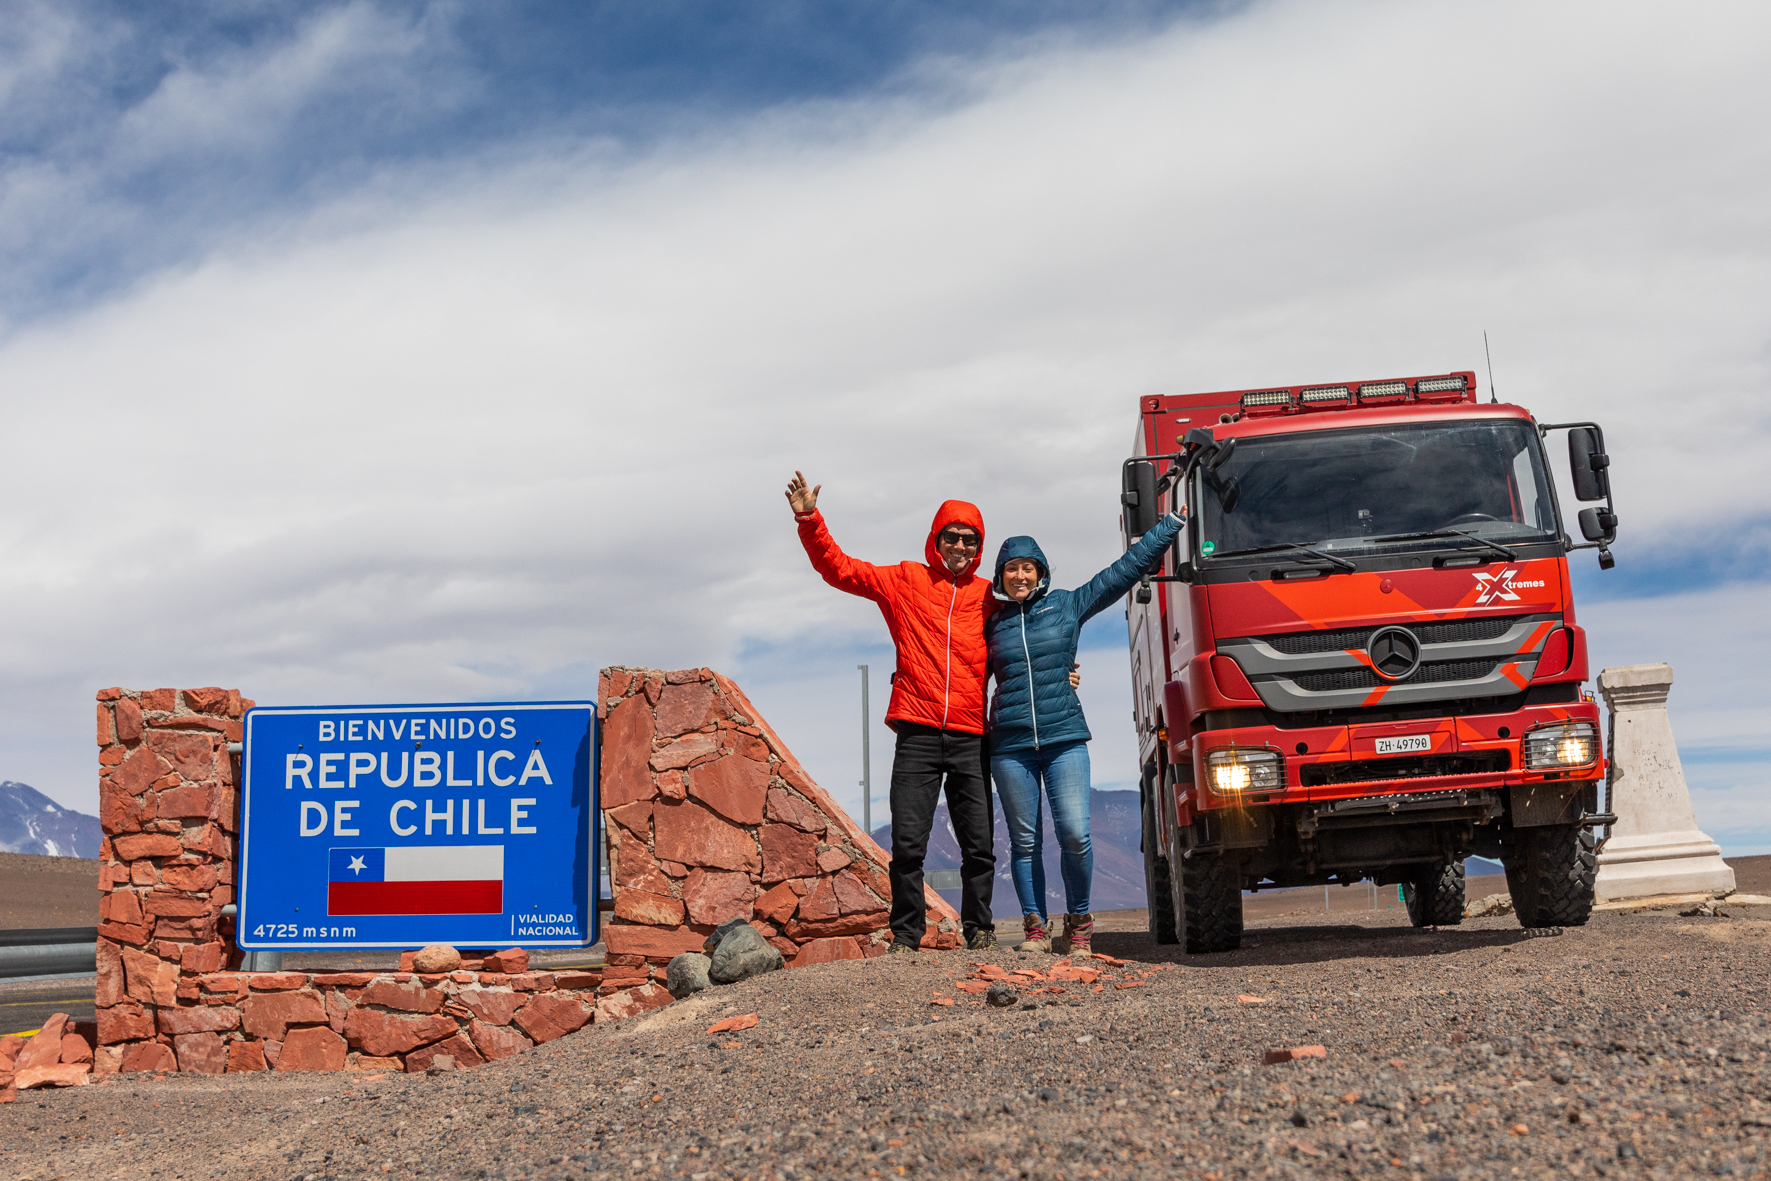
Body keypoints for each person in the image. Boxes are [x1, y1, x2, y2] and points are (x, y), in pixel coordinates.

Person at [785, 471, 1000, 952]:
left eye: (971, 539)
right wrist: (809, 518)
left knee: (979, 846)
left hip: (970, 735)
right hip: (917, 732)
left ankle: (980, 931)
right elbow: (840, 569)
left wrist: (1065, 669)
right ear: (936, 539)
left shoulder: (989, 596)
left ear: (979, 546)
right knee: (907, 844)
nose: (961, 545)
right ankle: (906, 936)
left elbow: (1033, 634)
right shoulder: (905, 580)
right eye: (953, 536)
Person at [985, 507, 1186, 958]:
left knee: (1075, 832)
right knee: (1024, 842)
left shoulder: (1067, 604)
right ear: (1001, 575)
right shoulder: (991, 622)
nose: (1019, 575)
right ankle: (1036, 930)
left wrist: (1169, 526)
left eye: (1027, 567)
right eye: (1011, 568)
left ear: (1040, 571)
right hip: (1010, 745)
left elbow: (1122, 572)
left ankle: (1079, 924)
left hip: (1064, 738)